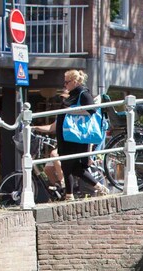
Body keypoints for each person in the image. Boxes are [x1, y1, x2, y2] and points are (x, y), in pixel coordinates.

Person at [33, 70, 106, 201]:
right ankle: (99, 187)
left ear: (75, 82)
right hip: (65, 137)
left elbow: (92, 111)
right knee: (74, 168)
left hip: (74, 137)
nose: (65, 84)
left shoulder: (83, 93)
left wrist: (72, 111)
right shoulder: (71, 95)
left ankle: (69, 195)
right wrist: (35, 127)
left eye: (67, 82)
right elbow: (57, 123)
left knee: (68, 165)